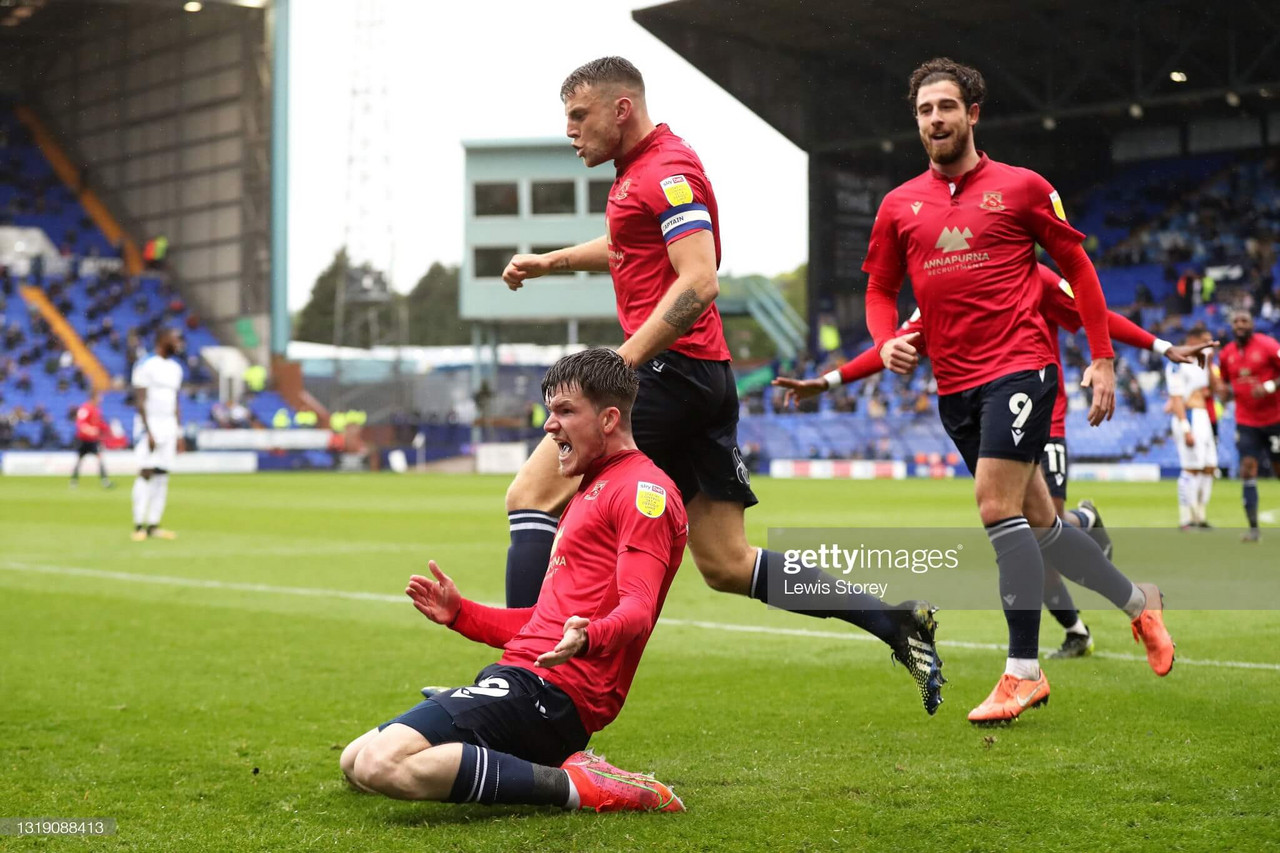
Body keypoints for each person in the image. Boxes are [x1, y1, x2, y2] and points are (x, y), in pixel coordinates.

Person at [497, 56, 944, 715]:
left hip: (668, 374)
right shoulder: (639, 175)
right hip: (701, 376)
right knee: (728, 562)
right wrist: (552, 261)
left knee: (533, 494)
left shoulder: (667, 170)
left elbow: (700, 280)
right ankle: (891, 621)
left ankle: (517, 689)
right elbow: (628, 240)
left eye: (578, 116)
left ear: (622, 109)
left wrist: (621, 366)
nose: (571, 131)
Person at [862, 58, 1174, 724]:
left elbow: (1079, 271)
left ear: (973, 113)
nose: (935, 119)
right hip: (956, 385)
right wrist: (886, 337)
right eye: (924, 110)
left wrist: (1103, 359)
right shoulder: (899, 206)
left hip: (1021, 368)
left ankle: (1022, 672)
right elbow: (879, 288)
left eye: (946, 106)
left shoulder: (1024, 187)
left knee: (993, 504)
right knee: (1042, 525)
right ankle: (1138, 603)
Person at [776, 263, 1211, 660]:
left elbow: (1092, 314)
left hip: (1043, 413)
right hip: (985, 417)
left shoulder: (1030, 275)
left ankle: (1026, 665)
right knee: (1037, 531)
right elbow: (896, 345)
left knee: (1021, 522)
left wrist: (1160, 345)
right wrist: (829, 380)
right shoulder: (941, 287)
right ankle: (1096, 616)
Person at [340, 349, 686, 813]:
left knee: (380, 765)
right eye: (550, 411)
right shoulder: (589, 489)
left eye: (565, 411)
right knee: (353, 761)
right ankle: (507, 746)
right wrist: (461, 615)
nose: (549, 425)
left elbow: (638, 609)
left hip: (553, 692)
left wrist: (589, 638)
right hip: (525, 679)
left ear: (607, 419)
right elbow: (542, 623)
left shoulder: (645, 492)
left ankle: (583, 786)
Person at [1216, 309, 1280, 542]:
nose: (1239, 324)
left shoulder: (1269, 345)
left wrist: (1269, 387)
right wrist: (1223, 393)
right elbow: (1224, 384)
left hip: (1275, 419)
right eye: (1236, 321)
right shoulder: (1227, 354)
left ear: (1252, 324)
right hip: (1246, 421)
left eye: (1244, 320)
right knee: (1247, 468)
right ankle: (1254, 529)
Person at [130, 328, 184, 541]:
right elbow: (140, 400)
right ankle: (138, 526)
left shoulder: (176, 369)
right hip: (150, 426)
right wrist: (148, 430)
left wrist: (178, 433)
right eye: (175, 338)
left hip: (169, 427)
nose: (178, 343)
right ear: (163, 339)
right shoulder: (146, 365)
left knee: (162, 476)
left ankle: (154, 525)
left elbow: (176, 403)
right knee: (146, 472)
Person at [1165, 326, 1219, 530]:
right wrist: (1185, 427)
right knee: (1191, 468)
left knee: (1209, 466)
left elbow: (1214, 389)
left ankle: (1200, 516)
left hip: (1203, 416)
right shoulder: (1177, 363)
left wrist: (1211, 363)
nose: (1209, 344)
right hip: (1188, 417)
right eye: (1205, 340)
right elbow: (1176, 398)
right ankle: (1186, 518)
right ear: (1192, 340)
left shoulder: (1203, 361)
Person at [70, 388, 114, 489]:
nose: (101, 399)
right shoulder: (85, 409)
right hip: (83, 440)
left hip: (93, 440)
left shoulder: (96, 409)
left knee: (99, 459)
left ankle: (105, 481)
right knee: (79, 460)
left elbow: (99, 423)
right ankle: (74, 480)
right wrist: (90, 430)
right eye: (99, 397)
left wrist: (107, 429)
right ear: (93, 398)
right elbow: (80, 424)